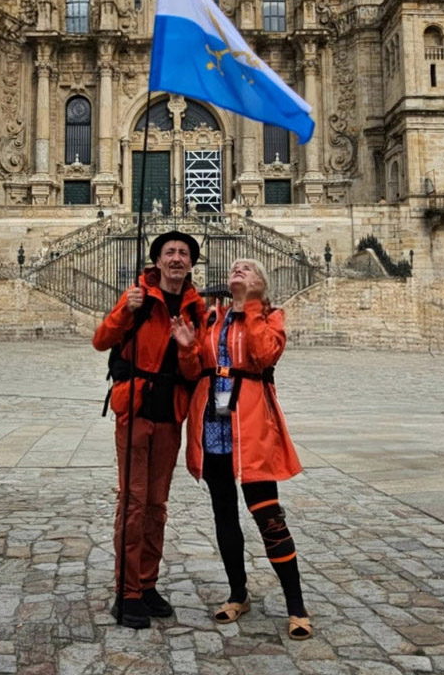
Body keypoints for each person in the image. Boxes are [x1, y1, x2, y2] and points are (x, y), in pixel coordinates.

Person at [174, 258, 312, 641]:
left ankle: (296, 606)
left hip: (251, 428)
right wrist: (187, 349)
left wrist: (250, 306)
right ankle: (238, 593)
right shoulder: (211, 320)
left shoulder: (271, 317)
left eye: (248, 269)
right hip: (213, 425)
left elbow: (263, 355)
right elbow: (193, 372)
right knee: (224, 514)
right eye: (235, 267)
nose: (238, 269)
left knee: (268, 516)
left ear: (261, 284)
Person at [92, 230, 205, 630]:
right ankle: (127, 593)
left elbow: (194, 372)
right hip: (135, 410)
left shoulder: (195, 308)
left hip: (171, 415)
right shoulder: (137, 296)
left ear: (192, 263)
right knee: (134, 502)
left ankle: (147, 582)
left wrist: (189, 346)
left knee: (157, 504)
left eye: (184, 253)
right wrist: (125, 310)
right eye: (169, 252)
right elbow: (100, 340)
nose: (177, 258)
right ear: (157, 261)